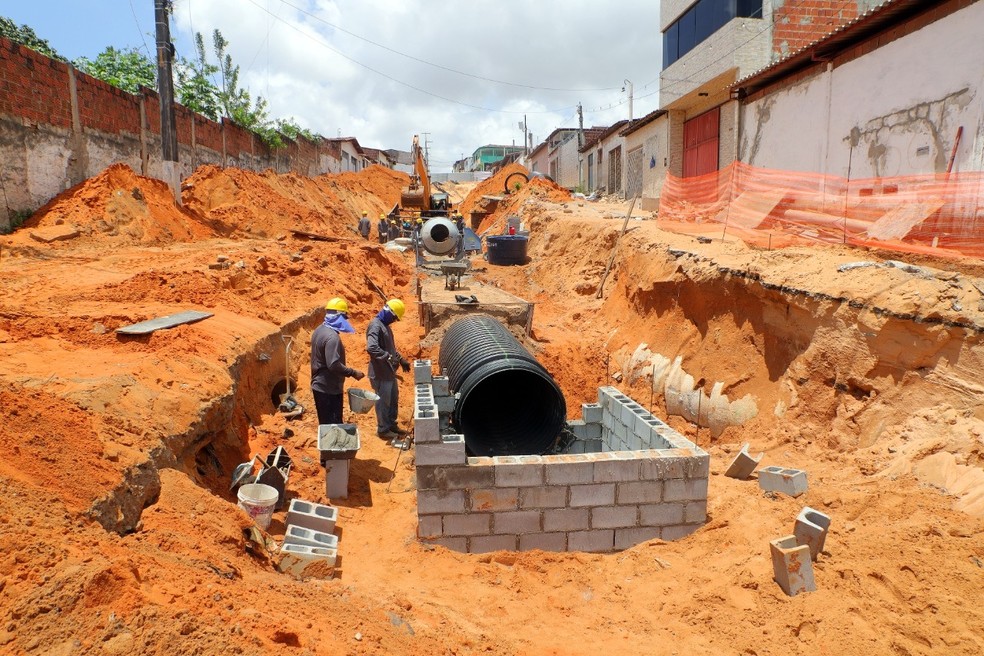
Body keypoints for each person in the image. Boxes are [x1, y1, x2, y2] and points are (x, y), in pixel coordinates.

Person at [311, 297, 365, 425]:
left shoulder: (319, 330)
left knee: (325, 424)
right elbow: (333, 364)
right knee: (333, 426)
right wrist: (353, 372)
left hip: (320, 386)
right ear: (339, 316)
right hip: (328, 389)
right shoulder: (332, 337)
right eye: (344, 317)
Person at [366, 298, 410, 440]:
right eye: (395, 317)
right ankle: (383, 430)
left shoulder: (385, 326)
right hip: (380, 373)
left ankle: (391, 424)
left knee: (393, 400)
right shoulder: (375, 326)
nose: (395, 320)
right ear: (389, 312)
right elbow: (371, 347)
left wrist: (400, 358)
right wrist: (388, 357)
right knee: (383, 402)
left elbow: (390, 348)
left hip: (389, 372)